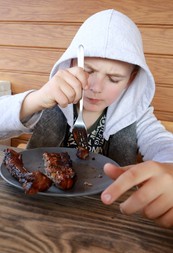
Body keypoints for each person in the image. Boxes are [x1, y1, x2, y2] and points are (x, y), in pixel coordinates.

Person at [1, 9, 173, 228]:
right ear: (71, 63)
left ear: (130, 81)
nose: (95, 88)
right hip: (35, 212)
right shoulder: (49, 101)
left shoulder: (136, 116)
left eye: (113, 78)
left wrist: (169, 167)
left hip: (108, 219)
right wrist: (35, 99)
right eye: (88, 71)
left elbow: (163, 144)